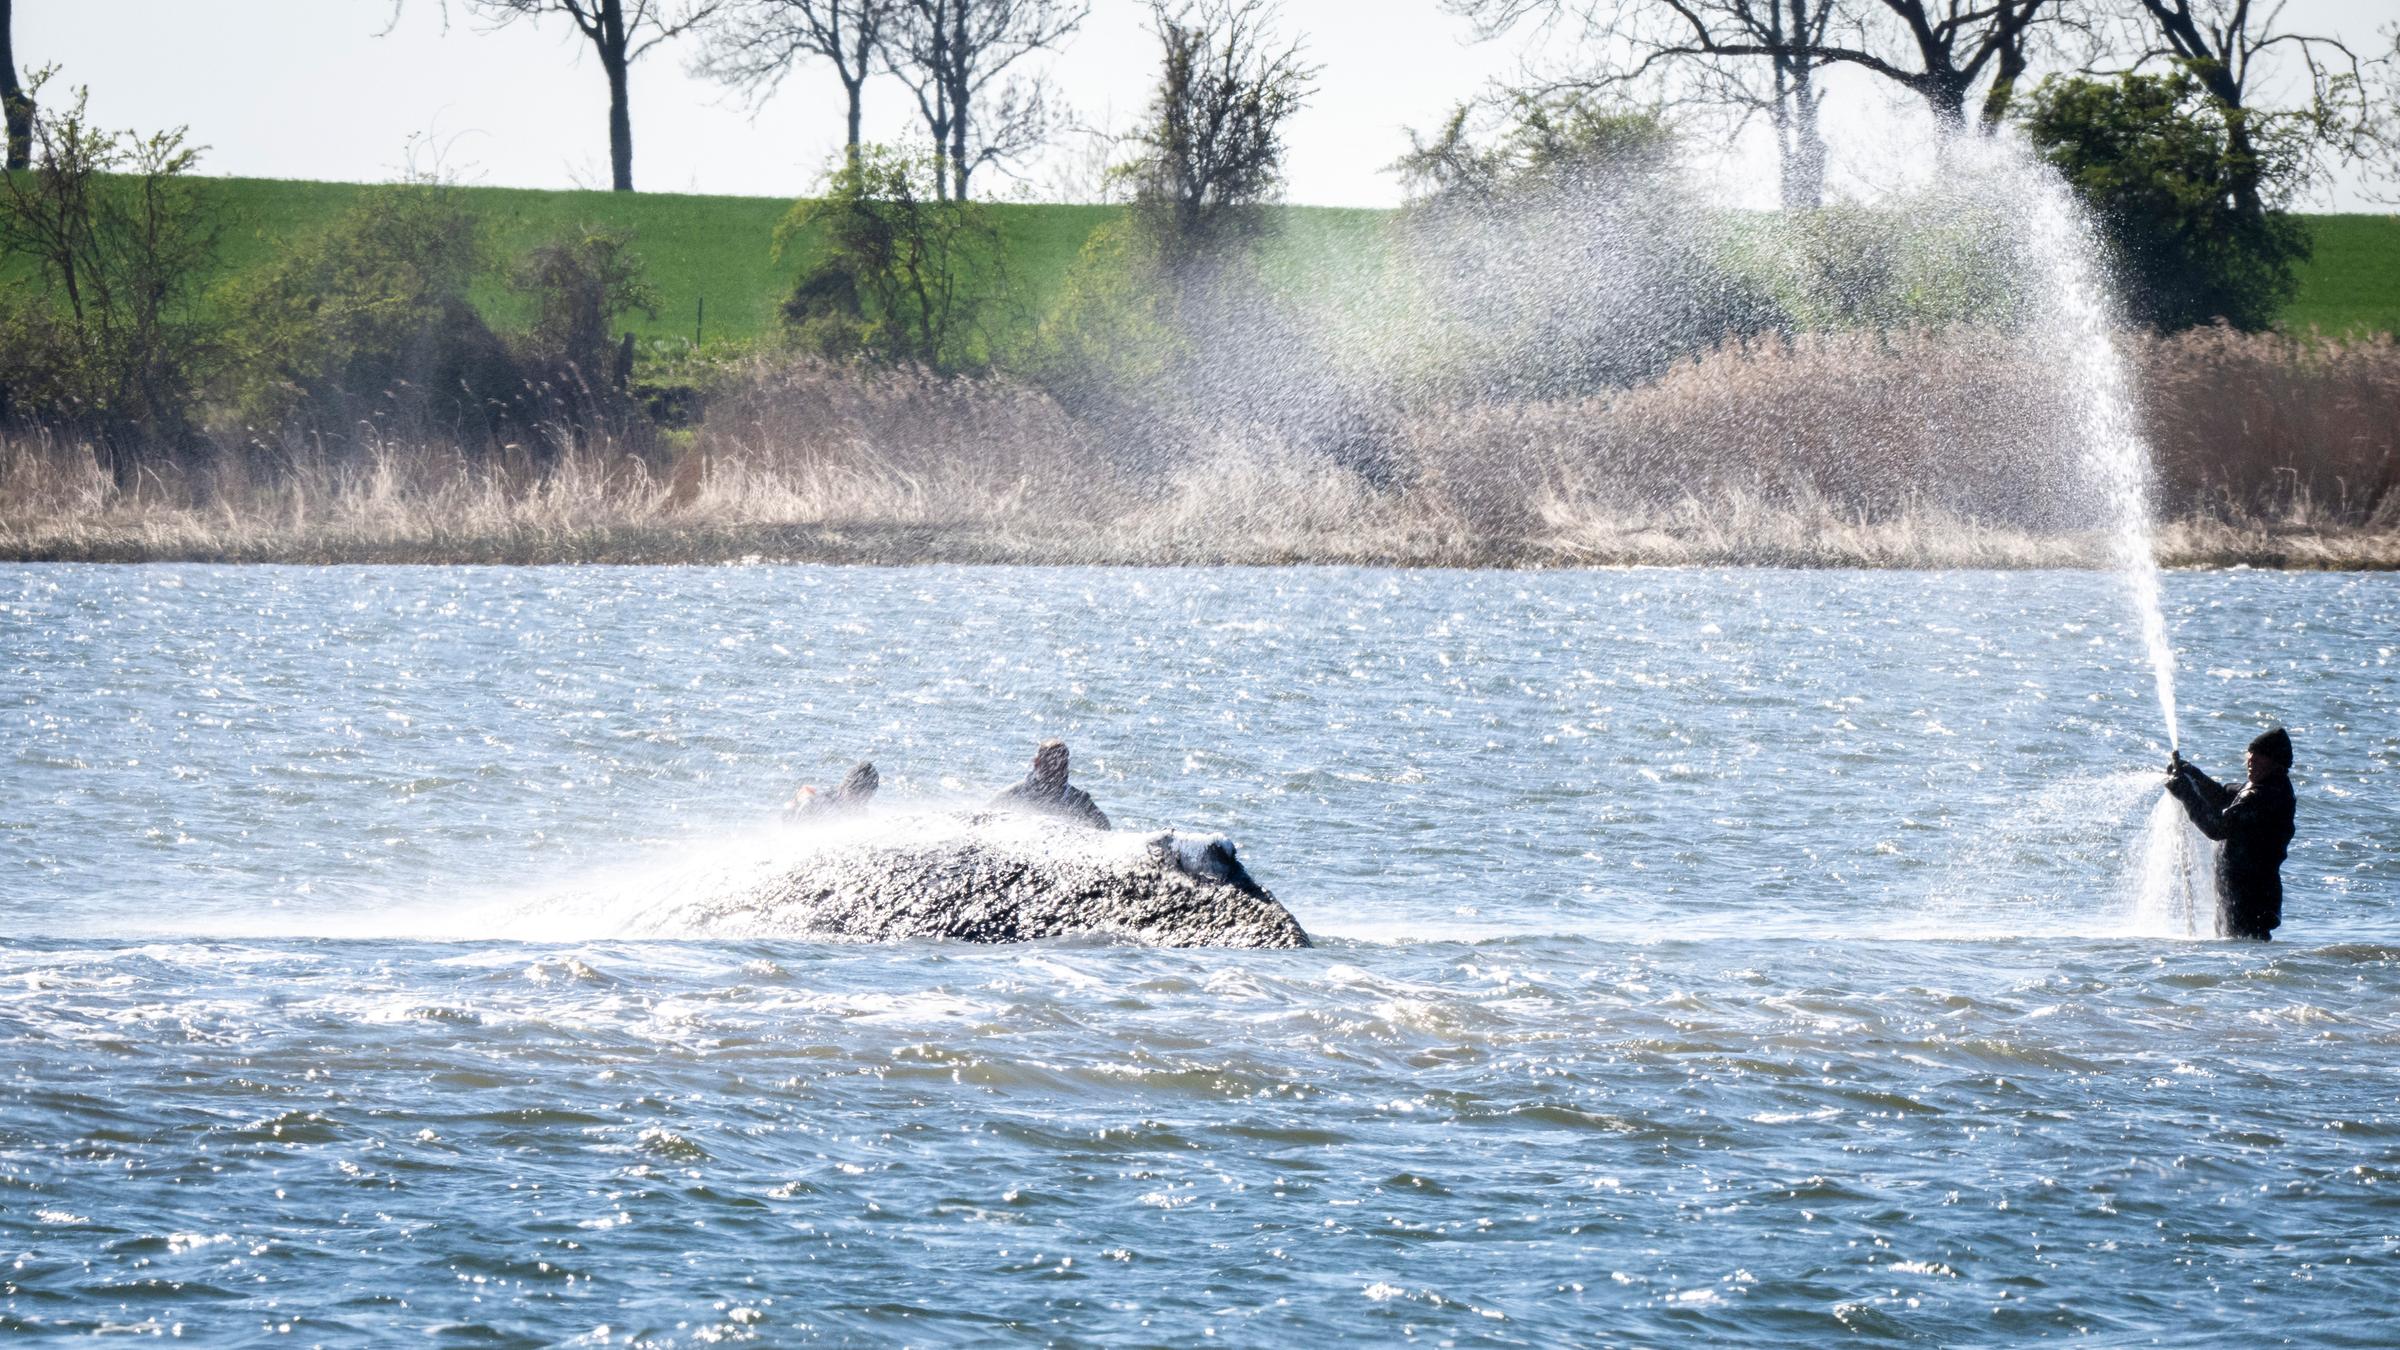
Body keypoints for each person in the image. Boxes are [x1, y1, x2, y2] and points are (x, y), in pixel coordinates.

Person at [2164, 727, 2296, 941]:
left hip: (2252, 900)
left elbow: (2217, 828)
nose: (2251, 760)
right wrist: (2192, 774)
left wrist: (2187, 794)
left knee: (2244, 948)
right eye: (2250, 754)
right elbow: (2222, 796)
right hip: (2236, 894)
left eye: (2259, 756)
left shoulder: (2267, 796)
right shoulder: (2258, 786)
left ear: (2276, 763)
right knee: (2231, 948)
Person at [987, 739, 1111, 830]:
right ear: (1037, 763)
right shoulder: (1013, 794)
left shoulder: (1079, 800)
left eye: (1063, 764)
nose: (1058, 770)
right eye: (1052, 764)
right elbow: (986, 816)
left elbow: (1104, 827)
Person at [788, 760, 879, 821]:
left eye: (867, 796)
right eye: (858, 795)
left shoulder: (861, 811)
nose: (862, 800)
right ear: (846, 788)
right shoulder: (818, 801)